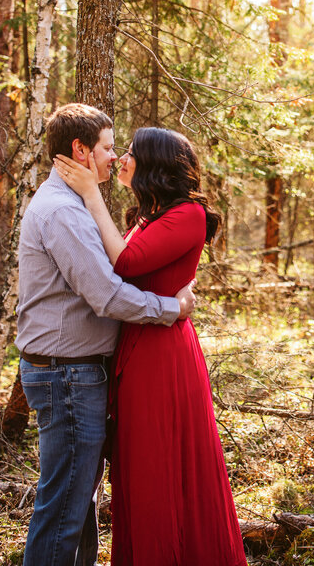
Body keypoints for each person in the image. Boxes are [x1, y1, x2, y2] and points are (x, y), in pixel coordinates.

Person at [54, 127, 246, 566]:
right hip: (138, 348)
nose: (122, 158)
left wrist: (91, 193)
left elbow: (127, 263)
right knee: (140, 469)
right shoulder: (149, 216)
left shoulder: (188, 215)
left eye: (132, 154)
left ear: (155, 166)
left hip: (163, 357)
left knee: (159, 464)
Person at [15, 103, 198, 566]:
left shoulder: (74, 205)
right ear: (80, 150)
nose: (115, 157)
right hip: (66, 375)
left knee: (78, 504)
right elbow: (108, 297)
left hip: (75, 373)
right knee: (63, 510)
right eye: (108, 147)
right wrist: (172, 308)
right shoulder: (63, 212)